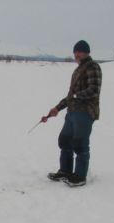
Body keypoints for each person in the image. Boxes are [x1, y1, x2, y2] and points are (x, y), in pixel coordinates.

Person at [44, 40, 102, 187]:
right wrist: (57, 108)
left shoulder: (93, 67)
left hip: (85, 112)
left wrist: (76, 96)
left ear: (86, 52)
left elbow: (94, 90)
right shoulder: (77, 70)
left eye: (79, 51)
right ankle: (65, 171)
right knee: (64, 140)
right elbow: (70, 96)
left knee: (80, 144)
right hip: (72, 112)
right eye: (75, 52)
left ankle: (80, 176)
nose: (76, 54)